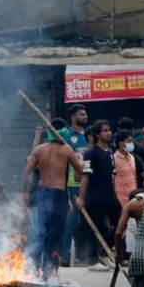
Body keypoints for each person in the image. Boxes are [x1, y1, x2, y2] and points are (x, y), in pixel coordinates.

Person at [22, 126, 83, 279]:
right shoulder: (67, 150)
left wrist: (24, 192)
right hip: (58, 195)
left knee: (41, 235)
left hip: (43, 193)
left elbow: (26, 172)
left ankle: (34, 268)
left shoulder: (39, 150)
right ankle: (48, 271)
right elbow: (78, 176)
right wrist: (81, 159)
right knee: (55, 236)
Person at [76, 120, 121, 271]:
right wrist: (81, 198)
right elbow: (85, 176)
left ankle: (104, 252)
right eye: (105, 130)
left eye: (109, 130)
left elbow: (112, 176)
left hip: (109, 196)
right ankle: (93, 259)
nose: (108, 133)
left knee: (120, 222)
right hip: (95, 197)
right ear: (97, 134)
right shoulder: (90, 154)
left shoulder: (109, 152)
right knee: (95, 229)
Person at [60, 104, 89, 265]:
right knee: (71, 222)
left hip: (87, 183)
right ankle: (64, 257)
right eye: (82, 114)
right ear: (73, 117)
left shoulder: (89, 135)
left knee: (84, 223)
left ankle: (83, 257)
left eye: (85, 114)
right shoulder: (66, 136)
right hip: (72, 184)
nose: (85, 117)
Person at [113, 130, 139, 208]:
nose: (131, 143)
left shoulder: (132, 158)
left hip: (133, 198)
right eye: (128, 141)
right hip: (120, 201)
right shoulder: (114, 159)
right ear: (121, 144)